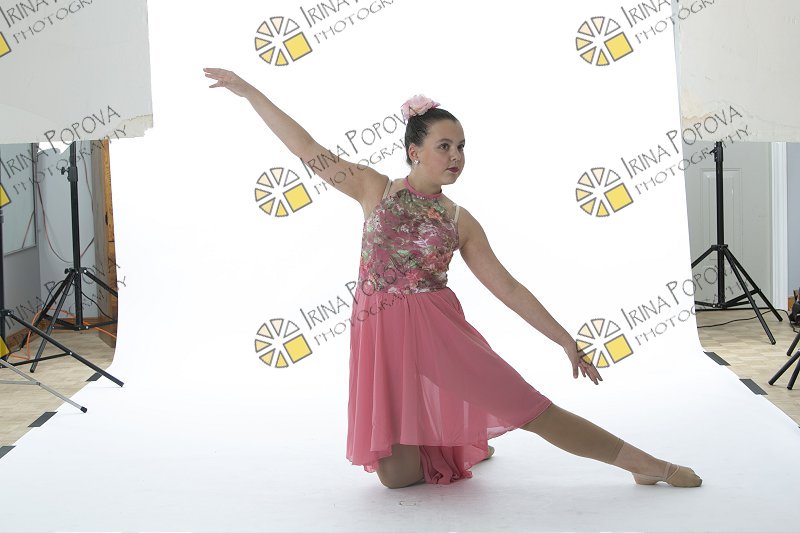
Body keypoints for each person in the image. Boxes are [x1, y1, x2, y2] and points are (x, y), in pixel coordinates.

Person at [203, 67, 703, 489]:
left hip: (439, 334)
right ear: (414, 151)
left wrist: (564, 340)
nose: (456, 156)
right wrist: (250, 93)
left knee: (530, 409)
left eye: (461, 146)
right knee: (396, 478)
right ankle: (467, 443)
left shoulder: (459, 220)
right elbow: (307, 148)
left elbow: (507, 287)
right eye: (444, 146)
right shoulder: (373, 189)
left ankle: (647, 465)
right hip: (379, 333)